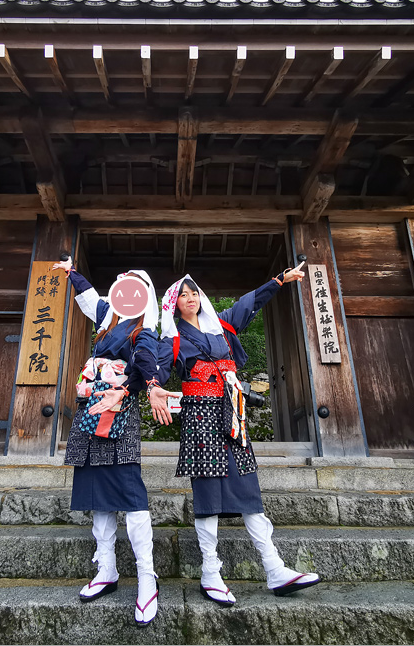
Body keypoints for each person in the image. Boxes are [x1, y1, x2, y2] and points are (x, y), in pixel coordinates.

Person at [148, 263, 320, 606]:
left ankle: (275, 568)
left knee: (248, 487)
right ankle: (210, 574)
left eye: (193, 292)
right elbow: (154, 364)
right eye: (182, 294)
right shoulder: (173, 337)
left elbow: (250, 301)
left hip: (231, 414)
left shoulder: (222, 325)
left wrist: (279, 280)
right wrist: (152, 387)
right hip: (200, 417)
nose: (190, 297)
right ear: (173, 304)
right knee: (209, 493)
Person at [51, 257, 160, 627]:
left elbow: (146, 359)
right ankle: (107, 568)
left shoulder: (143, 330)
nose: (126, 290)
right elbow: (87, 296)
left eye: (134, 285)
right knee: (96, 491)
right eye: (123, 284)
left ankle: (147, 577)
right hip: (91, 406)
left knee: (130, 492)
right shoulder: (107, 319)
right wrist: (72, 272)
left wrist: (153, 385)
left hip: (118, 410)